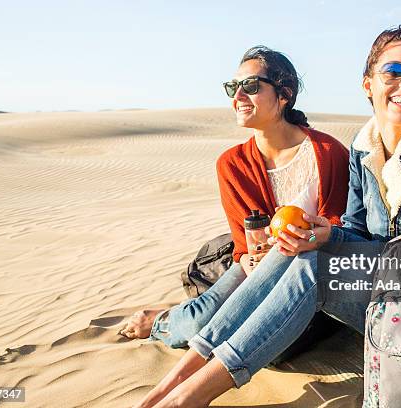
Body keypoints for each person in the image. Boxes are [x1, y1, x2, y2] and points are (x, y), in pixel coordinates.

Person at [133, 26, 401, 408]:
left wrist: (331, 242)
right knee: (292, 251)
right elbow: (354, 227)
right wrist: (324, 233)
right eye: (393, 71)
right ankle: (174, 384)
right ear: (368, 84)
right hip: (381, 290)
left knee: (312, 268)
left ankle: (189, 397)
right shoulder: (363, 147)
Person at [119, 46, 349, 352]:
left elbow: (341, 224)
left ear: (284, 95)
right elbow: (244, 247)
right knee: (198, 327)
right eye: (232, 87)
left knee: (268, 343)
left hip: (309, 269)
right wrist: (254, 260)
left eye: (251, 86)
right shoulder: (232, 164)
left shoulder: (329, 153)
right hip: (258, 267)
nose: (238, 96)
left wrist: (311, 238)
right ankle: (161, 320)